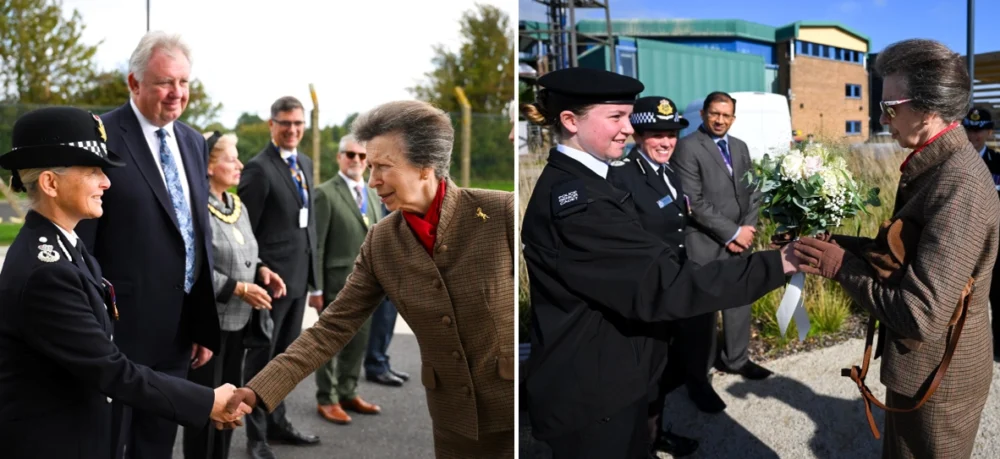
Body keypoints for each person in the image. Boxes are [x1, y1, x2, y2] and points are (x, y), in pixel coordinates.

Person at [520, 67, 797, 459]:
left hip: (613, 378)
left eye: (628, 117)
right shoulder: (580, 204)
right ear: (570, 121)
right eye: (615, 117)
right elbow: (665, 285)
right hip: (594, 397)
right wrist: (779, 264)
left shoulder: (590, 182)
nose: (627, 128)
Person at [226, 99, 516, 458]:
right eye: (369, 164)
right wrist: (256, 390)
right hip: (453, 420)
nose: (372, 178)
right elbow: (330, 329)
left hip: (516, 409)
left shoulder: (502, 213)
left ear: (426, 166)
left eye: (382, 166)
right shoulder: (381, 241)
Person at [0, 107, 250, 459]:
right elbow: (110, 370)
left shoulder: (69, 249)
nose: (107, 182)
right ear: (50, 183)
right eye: (93, 171)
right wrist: (207, 400)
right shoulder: (47, 273)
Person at [794, 39, 998, 459]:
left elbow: (920, 315)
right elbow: (904, 257)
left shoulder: (959, 184)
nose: (882, 117)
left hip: (940, 383)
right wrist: (835, 245)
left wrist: (840, 267)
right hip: (922, 372)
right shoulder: (935, 164)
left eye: (891, 107)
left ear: (927, 108)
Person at [75, 31, 221, 459]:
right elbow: (83, 242)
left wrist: (199, 322)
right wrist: (96, 329)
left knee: (156, 444)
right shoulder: (100, 136)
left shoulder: (193, 142)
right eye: (164, 83)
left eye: (185, 83)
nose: (177, 94)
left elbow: (196, 237)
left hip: (178, 334)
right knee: (107, 443)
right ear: (134, 84)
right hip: (120, 333)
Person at [183, 131, 288, 459]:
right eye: (231, 158)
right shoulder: (195, 207)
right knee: (205, 405)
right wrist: (238, 288)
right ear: (209, 166)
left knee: (231, 403)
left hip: (240, 323)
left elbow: (247, 250)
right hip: (208, 326)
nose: (240, 164)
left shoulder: (236, 204)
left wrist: (261, 270)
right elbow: (193, 267)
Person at [673, 91, 773, 414]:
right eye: (714, 114)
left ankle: (737, 359)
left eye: (726, 115)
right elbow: (694, 201)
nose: (719, 120)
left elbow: (753, 190)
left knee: (739, 301)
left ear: (733, 118)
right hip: (704, 245)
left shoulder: (740, 147)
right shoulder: (687, 147)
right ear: (703, 114)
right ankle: (698, 381)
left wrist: (747, 229)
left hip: (740, 240)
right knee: (703, 316)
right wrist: (731, 233)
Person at [614, 96, 699, 457]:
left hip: (672, 290)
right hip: (647, 296)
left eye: (672, 134)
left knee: (665, 372)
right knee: (645, 378)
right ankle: (640, 446)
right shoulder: (623, 177)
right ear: (637, 136)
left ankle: (654, 434)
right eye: (656, 135)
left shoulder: (669, 172)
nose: (666, 142)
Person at [237, 96, 321, 457]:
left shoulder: (305, 163)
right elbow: (246, 230)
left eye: (298, 123)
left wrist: (314, 281)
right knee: (263, 358)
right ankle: (256, 437)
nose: (292, 130)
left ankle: (277, 423)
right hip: (271, 283)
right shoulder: (258, 169)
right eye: (285, 123)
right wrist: (258, 273)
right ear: (272, 125)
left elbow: (308, 226)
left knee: (286, 357)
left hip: (299, 280)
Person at [311, 134, 384, 424]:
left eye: (362, 156)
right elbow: (316, 245)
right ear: (339, 157)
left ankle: (347, 391)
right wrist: (314, 287)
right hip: (335, 283)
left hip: (368, 285)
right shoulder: (325, 193)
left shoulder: (373, 193)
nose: (356, 160)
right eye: (350, 155)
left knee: (359, 341)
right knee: (330, 343)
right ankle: (326, 398)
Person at [963, 107, 1000, 359]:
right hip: (965, 248)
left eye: (979, 130)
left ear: (989, 131)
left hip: (997, 246)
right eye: (969, 129)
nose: (974, 136)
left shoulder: (998, 163)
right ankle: (966, 352)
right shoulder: (953, 162)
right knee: (965, 305)